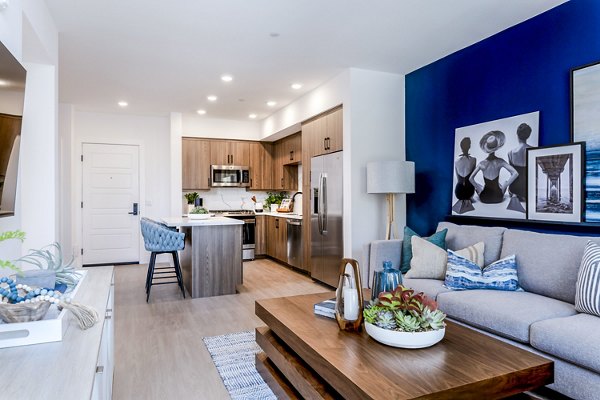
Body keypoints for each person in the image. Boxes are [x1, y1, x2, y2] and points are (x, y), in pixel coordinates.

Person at [469, 130, 519, 204]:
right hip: (498, 198)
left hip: (484, 198)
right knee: (503, 183)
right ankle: (500, 186)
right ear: (496, 147)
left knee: (479, 186)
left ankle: (482, 189)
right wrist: (506, 184)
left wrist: (479, 189)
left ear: (487, 148)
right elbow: (515, 173)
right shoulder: (500, 161)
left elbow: (471, 179)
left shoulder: (481, 164)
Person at [507, 123, 533, 201]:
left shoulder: (510, 153)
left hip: (514, 189)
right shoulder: (533, 151)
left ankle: (515, 195)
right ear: (528, 135)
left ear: (517, 134)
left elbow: (512, 174)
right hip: (527, 190)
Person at [454, 137, 476, 201]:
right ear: (469, 146)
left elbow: (458, 178)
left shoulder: (456, 160)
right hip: (469, 192)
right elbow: (472, 177)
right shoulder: (473, 159)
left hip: (458, 192)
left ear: (461, 147)